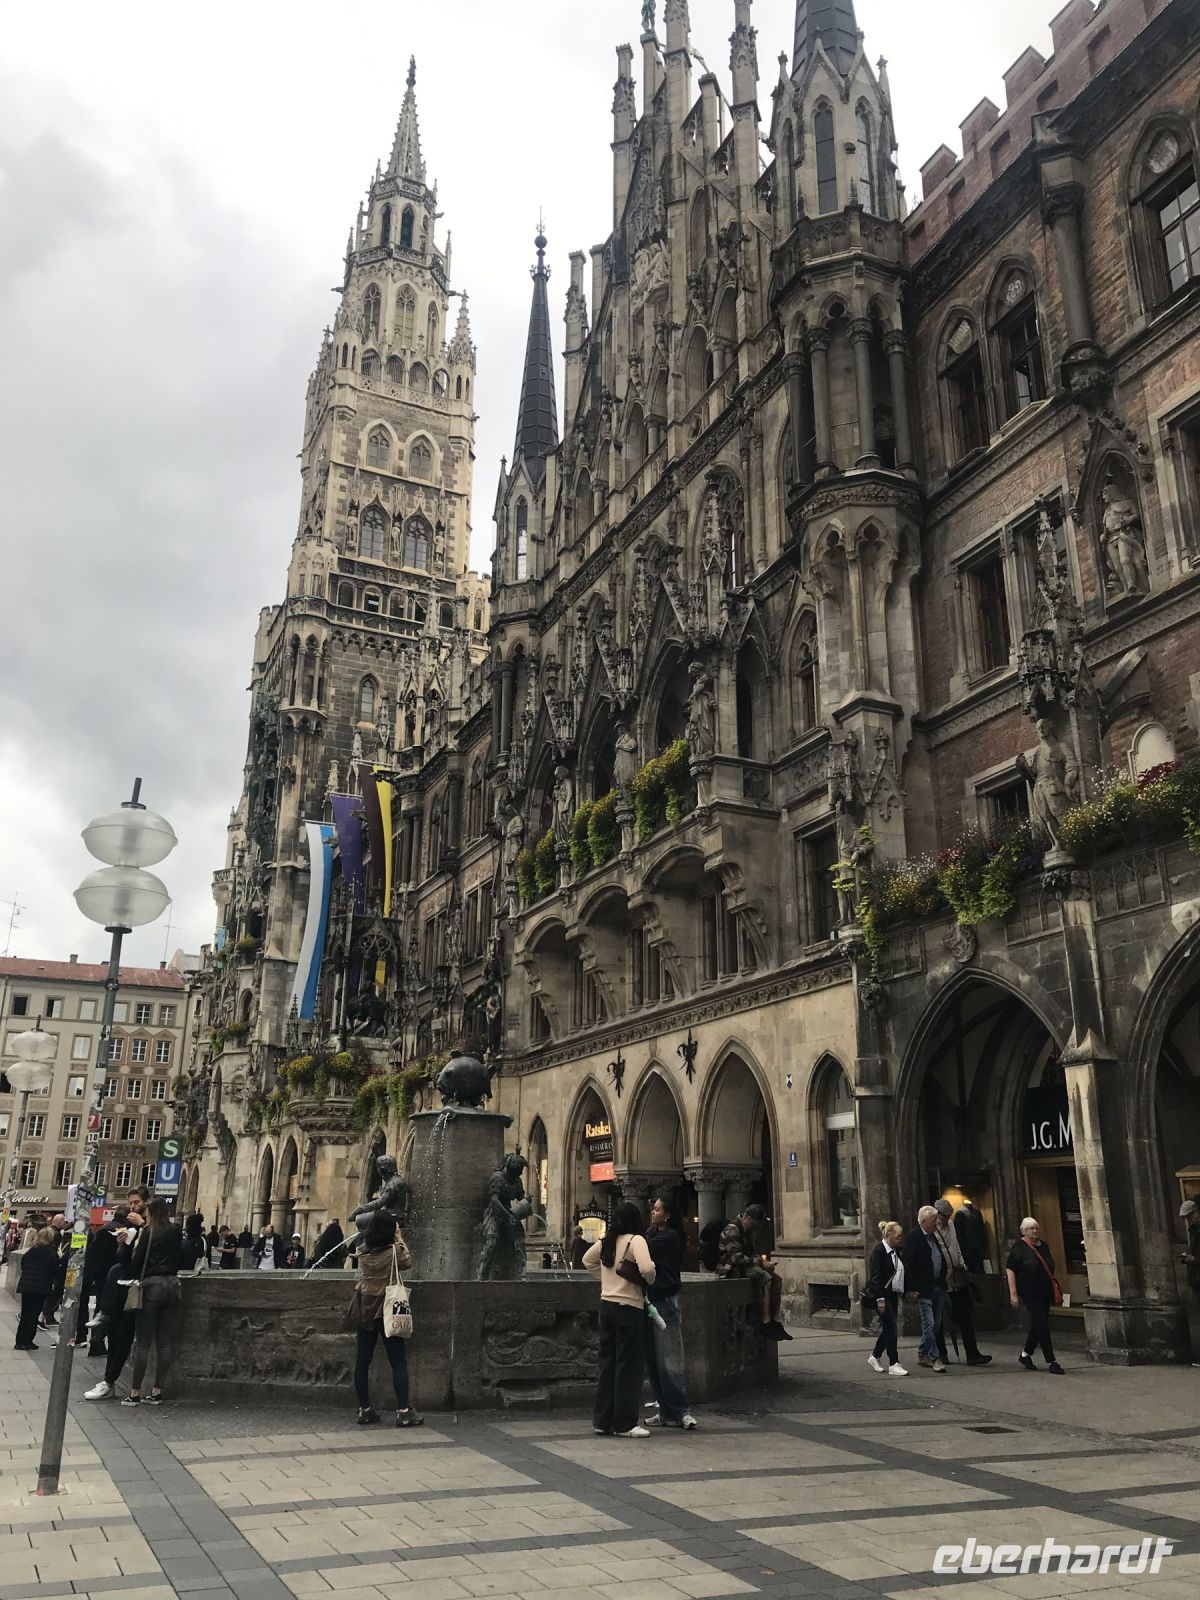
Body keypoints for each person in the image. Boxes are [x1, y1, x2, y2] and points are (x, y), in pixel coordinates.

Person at [583, 1200, 657, 1438]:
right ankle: (624, 1423)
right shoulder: (637, 1240)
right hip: (628, 1307)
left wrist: (606, 1280)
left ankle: (603, 1420)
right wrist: (649, 1279)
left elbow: (587, 1260)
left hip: (606, 1305)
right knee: (629, 1365)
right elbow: (646, 1268)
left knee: (608, 1363)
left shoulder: (607, 1241)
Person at [345, 1209, 423, 1427]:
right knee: (397, 1361)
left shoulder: (363, 1250)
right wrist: (400, 1239)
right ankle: (404, 1411)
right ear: (391, 1230)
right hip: (387, 1309)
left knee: (362, 1361)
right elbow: (408, 1262)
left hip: (365, 1307)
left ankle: (365, 1409)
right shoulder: (393, 1252)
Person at [123, 1198, 184, 1406]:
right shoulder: (176, 1230)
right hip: (173, 1286)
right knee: (165, 1343)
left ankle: (134, 1392)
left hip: (152, 1286)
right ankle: (157, 1391)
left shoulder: (148, 1232)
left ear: (151, 1212)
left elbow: (136, 1261)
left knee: (143, 1343)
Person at [643, 1195, 697, 1429]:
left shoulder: (671, 1237)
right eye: (652, 1209)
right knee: (653, 1361)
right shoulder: (651, 1233)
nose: (652, 1212)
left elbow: (643, 1249)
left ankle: (681, 1411)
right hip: (649, 1300)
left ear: (668, 1215)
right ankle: (665, 1411)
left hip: (665, 1300)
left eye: (656, 1209)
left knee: (670, 1359)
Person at [83, 1221, 145, 1401]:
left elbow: (139, 1262)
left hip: (137, 1291)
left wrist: (141, 1228)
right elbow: (123, 1259)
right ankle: (108, 1382)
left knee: (123, 1339)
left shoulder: (151, 1230)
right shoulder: (133, 1231)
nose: (134, 1207)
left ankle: (111, 1382)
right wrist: (122, 1244)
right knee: (114, 1335)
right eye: (131, 1203)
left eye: (137, 1202)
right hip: (123, 1290)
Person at [716, 1205, 790, 1341]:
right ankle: (765, 1322)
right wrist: (761, 1264)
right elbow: (736, 1258)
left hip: (744, 1267)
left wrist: (763, 1264)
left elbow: (750, 1254)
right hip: (729, 1269)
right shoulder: (732, 1229)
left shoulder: (748, 1231)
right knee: (765, 1277)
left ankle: (775, 1321)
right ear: (748, 1218)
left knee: (777, 1279)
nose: (758, 1227)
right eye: (756, 1223)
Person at [933, 1199, 991, 1367]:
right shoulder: (930, 1228)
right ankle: (941, 1354)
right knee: (939, 1319)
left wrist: (963, 1265)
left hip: (957, 1275)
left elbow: (956, 1245)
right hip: (940, 1279)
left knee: (965, 1314)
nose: (944, 1219)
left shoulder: (950, 1225)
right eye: (943, 1216)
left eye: (947, 1216)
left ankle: (972, 1353)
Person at [1005, 1216, 1064, 1374]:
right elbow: (1010, 1269)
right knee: (1042, 1323)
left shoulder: (1043, 1246)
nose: (1035, 1230)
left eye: (1036, 1228)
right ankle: (1051, 1360)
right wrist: (1013, 1293)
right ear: (1024, 1231)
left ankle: (1025, 1354)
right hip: (1029, 1290)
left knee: (1039, 1323)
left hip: (1044, 1290)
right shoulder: (1019, 1247)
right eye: (1031, 1228)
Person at [900, 1205, 948, 1373]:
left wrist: (942, 1277)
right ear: (924, 1221)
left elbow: (939, 1257)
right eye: (934, 1220)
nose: (937, 1223)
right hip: (923, 1288)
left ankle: (922, 1353)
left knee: (935, 1324)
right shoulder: (914, 1237)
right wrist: (910, 1288)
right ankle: (935, 1358)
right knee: (929, 1323)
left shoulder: (933, 1237)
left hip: (937, 1286)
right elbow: (906, 1264)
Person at [82, 1207, 131, 1355]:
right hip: (116, 1275)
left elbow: (93, 1253)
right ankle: (99, 1338)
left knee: (101, 1306)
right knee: (111, 1308)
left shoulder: (103, 1229)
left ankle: (96, 1340)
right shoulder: (123, 1232)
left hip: (100, 1274)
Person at [865, 1220, 907, 1377]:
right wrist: (880, 1299)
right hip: (882, 1295)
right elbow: (875, 1277)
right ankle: (894, 1362)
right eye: (898, 1235)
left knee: (888, 1327)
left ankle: (875, 1356)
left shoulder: (896, 1250)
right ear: (889, 1235)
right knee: (892, 1328)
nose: (901, 1238)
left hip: (892, 1293)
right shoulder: (879, 1251)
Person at [15, 1227, 59, 1350]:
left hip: (26, 1286)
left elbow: (23, 1265)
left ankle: (19, 1341)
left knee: (25, 1314)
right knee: (34, 1314)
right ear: (50, 1238)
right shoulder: (51, 1252)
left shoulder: (31, 1251)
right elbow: (55, 1270)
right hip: (41, 1288)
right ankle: (28, 1341)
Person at [1180, 1200, 1200, 1364]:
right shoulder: (1193, 1231)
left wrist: (1194, 1259)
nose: (1188, 1220)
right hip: (1196, 1279)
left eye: (1189, 1216)